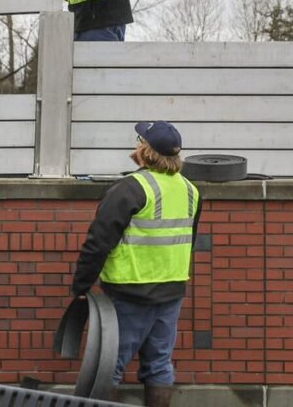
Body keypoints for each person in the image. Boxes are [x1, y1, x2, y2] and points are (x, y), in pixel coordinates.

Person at [71, 121, 201, 407]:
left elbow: (98, 242)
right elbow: (188, 241)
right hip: (171, 292)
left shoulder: (130, 188)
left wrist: (81, 286)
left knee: (109, 367)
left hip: (130, 293)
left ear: (144, 149)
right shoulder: (191, 191)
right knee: (159, 365)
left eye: (137, 141)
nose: (134, 146)